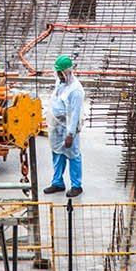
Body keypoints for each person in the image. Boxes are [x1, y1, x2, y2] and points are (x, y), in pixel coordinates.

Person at [44, 55, 84, 198]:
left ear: (68, 71)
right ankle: (57, 183)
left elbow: (74, 114)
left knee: (73, 155)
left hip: (68, 127)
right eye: (58, 73)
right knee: (57, 153)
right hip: (57, 125)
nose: (59, 75)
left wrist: (70, 135)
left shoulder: (76, 90)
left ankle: (76, 185)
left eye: (61, 72)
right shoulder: (60, 82)